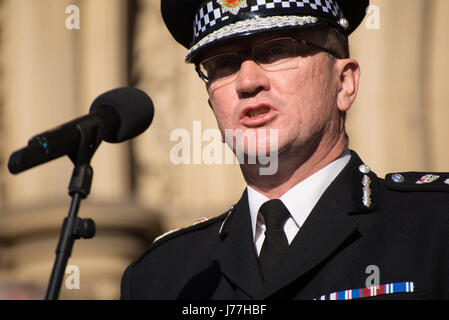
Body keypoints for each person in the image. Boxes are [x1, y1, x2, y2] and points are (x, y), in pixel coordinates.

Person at [121, 0, 449, 300]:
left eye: (276, 51)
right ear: (213, 106)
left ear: (344, 83)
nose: (247, 82)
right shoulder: (164, 275)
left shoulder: (434, 225)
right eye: (223, 64)